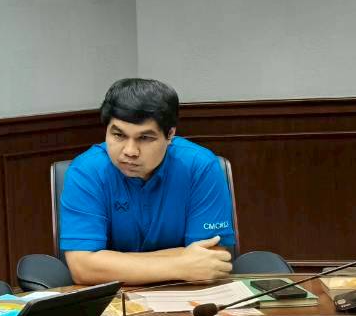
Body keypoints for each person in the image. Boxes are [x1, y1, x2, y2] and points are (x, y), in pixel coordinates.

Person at [58, 78, 235, 286]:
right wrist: (180, 264)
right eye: (118, 135)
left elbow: (211, 260)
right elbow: (83, 268)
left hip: (186, 292)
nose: (130, 151)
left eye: (145, 138)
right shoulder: (86, 171)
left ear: (170, 134)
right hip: (113, 298)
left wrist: (109, 262)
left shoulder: (200, 166)